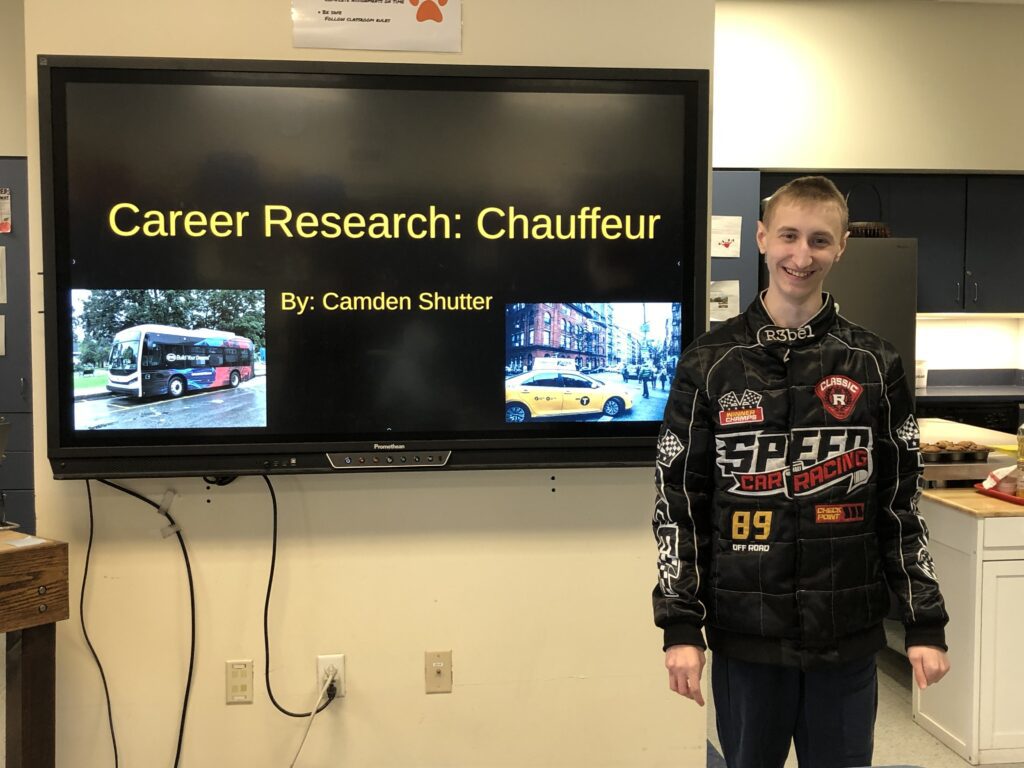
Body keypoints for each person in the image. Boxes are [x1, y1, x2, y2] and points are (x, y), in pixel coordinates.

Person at [652, 176, 949, 768]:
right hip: (746, 638)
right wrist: (681, 626)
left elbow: (899, 504)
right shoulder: (709, 363)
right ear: (762, 239)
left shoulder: (874, 362)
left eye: (819, 239)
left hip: (847, 639)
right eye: (788, 235)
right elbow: (679, 501)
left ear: (840, 248)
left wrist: (924, 620)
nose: (801, 254)